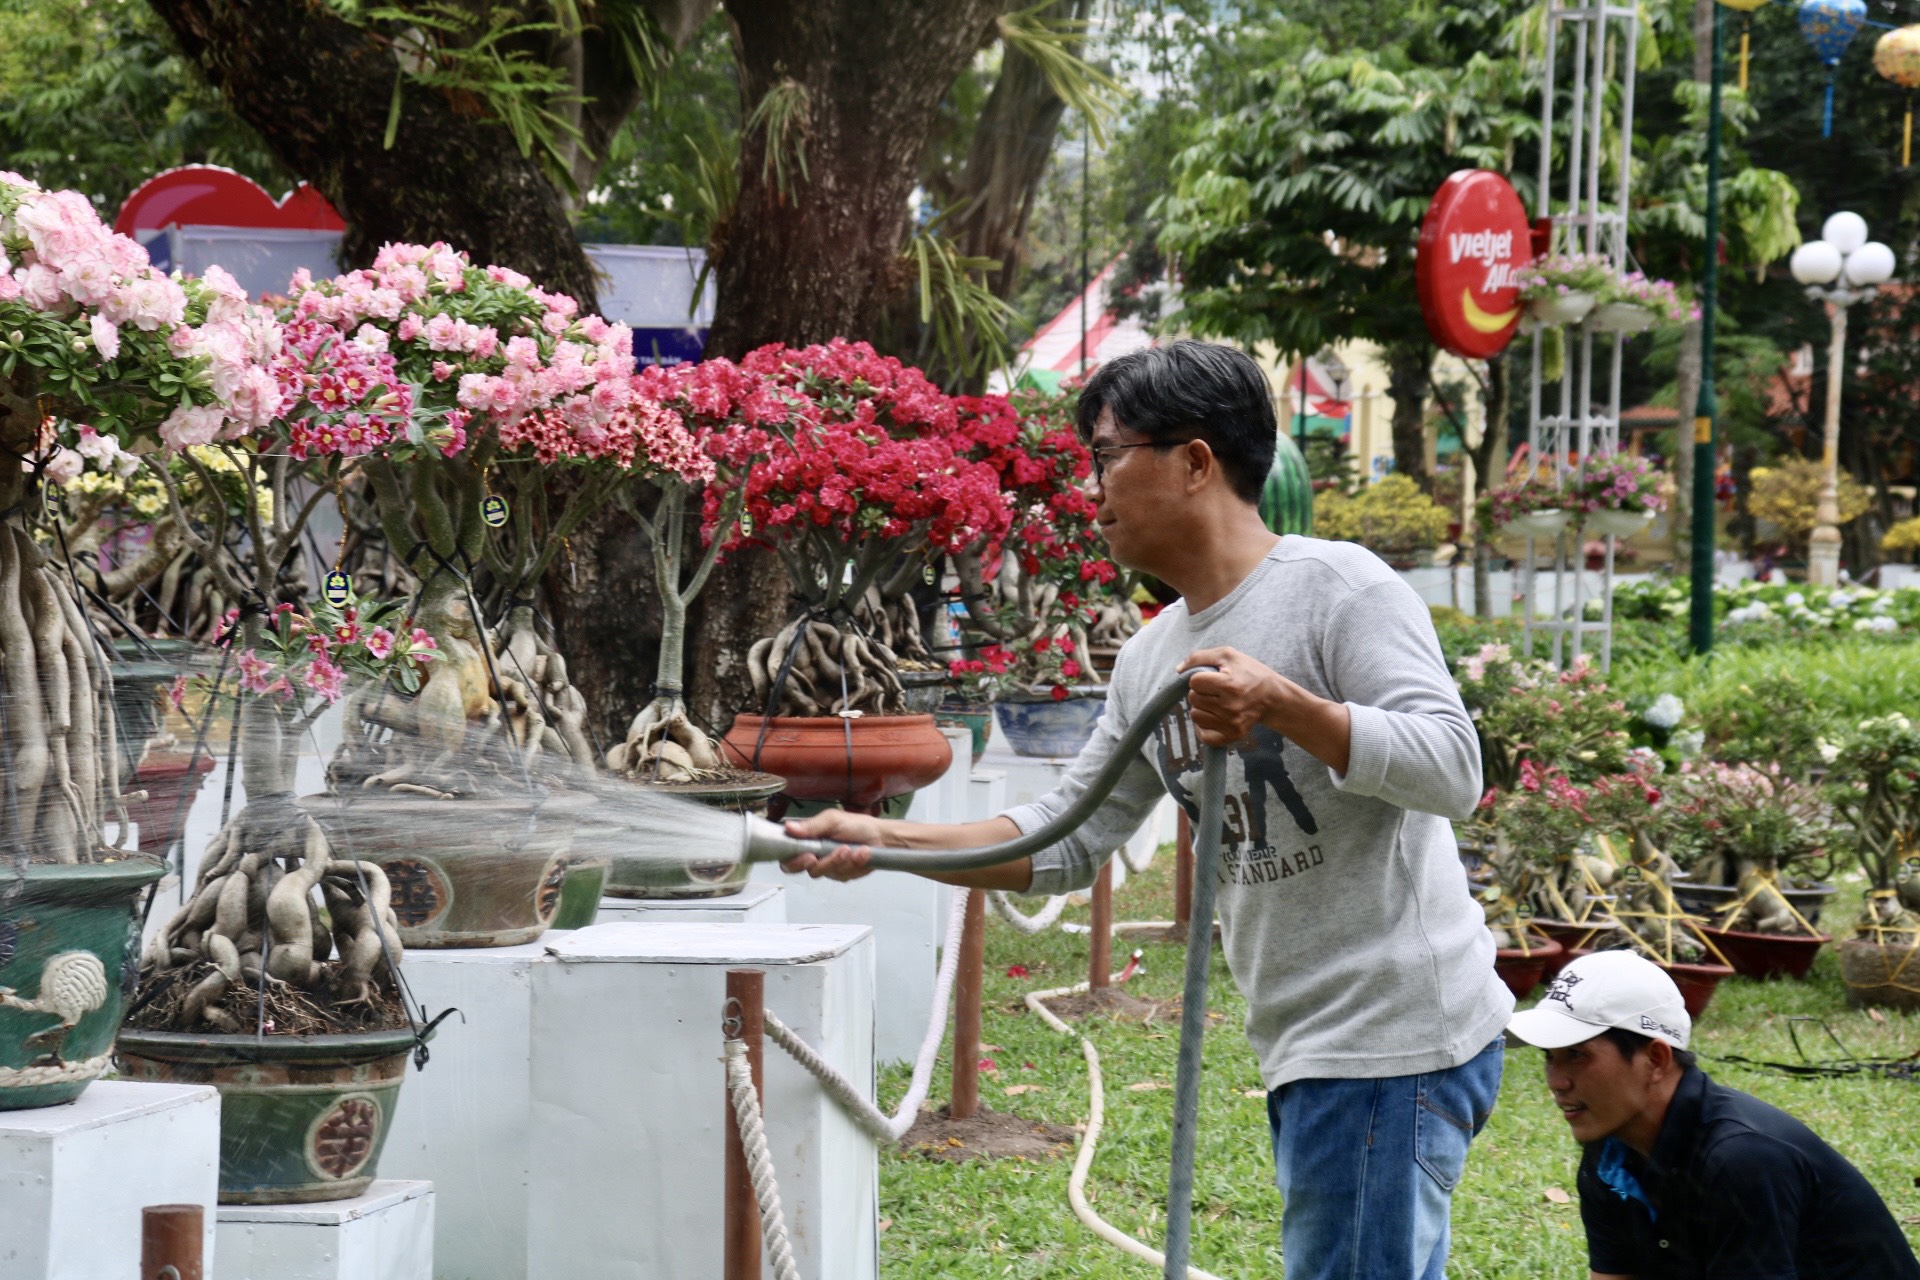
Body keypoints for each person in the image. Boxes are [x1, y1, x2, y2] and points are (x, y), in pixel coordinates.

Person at [781, 339, 1513, 1279]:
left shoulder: (1341, 590)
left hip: (1390, 1036)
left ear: (1195, 461)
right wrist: (883, 838)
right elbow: (1065, 840)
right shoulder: (1148, 656)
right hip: (1311, 1045)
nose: (1092, 488)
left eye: (1107, 454)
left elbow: (1454, 769)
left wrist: (1286, 704)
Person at [1507, 950, 1920, 1280]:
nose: (1556, 1081)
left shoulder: (1742, 1159)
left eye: (1577, 1055)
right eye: (1550, 1058)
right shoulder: (1609, 1158)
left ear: (1655, 1058)